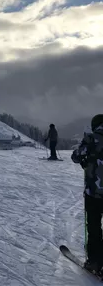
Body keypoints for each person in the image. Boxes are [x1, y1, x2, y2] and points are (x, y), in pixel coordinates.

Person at [71, 114, 103, 274]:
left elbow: (75, 156)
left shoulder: (91, 139)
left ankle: (95, 261)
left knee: (94, 226)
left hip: (93, 192)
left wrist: (86, 159)